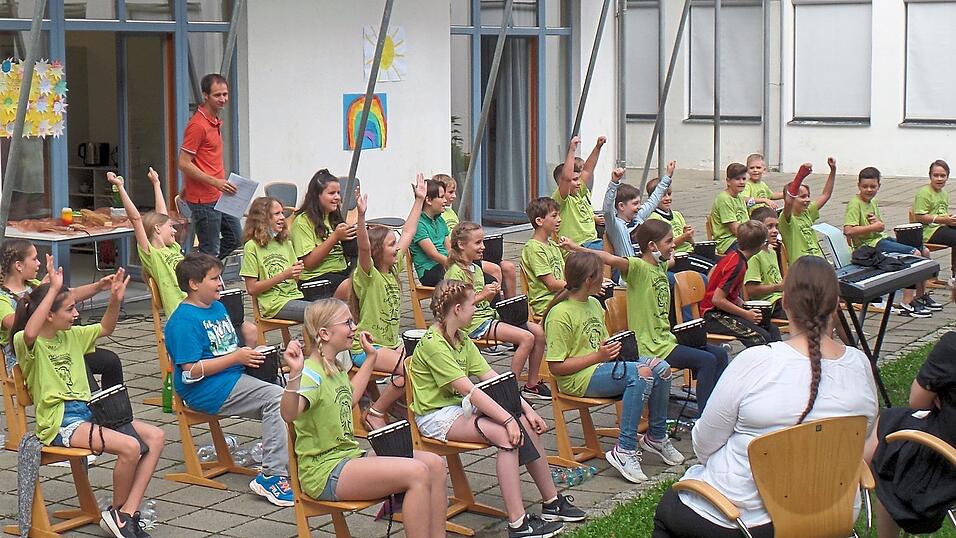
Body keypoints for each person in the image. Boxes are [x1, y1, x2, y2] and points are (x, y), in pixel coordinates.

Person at [652, 256, 879, 537]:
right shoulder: (859, 365)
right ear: (835, 306)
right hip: (830, 515)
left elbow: (704, 444)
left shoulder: (757, 362)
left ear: (784, 303)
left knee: (668, 512)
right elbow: (865, 440)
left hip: (747, 521)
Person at [408, 279, 585, 538]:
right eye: (472, 305)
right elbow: (470, 391)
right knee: (506, 435)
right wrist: (507, 419)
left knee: (524, 423)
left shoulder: (461, 338)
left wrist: (526, 410)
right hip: (436, 416)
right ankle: (518, 524)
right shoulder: (434, 343)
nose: (476, 310)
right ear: (457, 309)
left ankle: (551, 501)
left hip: (460, 408)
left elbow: (495, 380)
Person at [12, 266, 165, 538]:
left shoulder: (72, 336)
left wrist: (116, 298)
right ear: (48, 314)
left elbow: (107, 327)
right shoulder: (27, 343)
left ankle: (126, 513)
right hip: (59, 422)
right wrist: (54, 290)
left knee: (156, 437)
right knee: (130, 448)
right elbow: (32, 331)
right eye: (69, 310)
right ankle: (118, 514)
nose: (76, 314)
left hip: (88, 414)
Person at [279, 300, 448, 538]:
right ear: (325, 333)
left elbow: (349, 397)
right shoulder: (310, 375)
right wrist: (294, 376)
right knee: (417, 472)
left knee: (435, 464)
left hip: (348, 457)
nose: (354, 327)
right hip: (324, 472)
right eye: (347, 322)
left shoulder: (333, 366)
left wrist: (370, 357)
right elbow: (288, 414)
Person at [165, 253, 293, 507]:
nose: (221, 283)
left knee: (296, 392)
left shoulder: (217, 307)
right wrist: (237, 358)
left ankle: (300, 461)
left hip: (231, 378)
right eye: (214, 279)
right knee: (276, 398)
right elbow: (190, 372)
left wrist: (253, 351)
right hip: (205, 390)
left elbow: (225, 350)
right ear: (193, 284)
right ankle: (272, 475)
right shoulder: (182, 321)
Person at [543, 251, 681, 483]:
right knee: (642, 374)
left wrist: (614, 347)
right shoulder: (559, 314)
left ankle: (656, 436)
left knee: (661, 367)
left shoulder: (595, 304)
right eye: (602, 275)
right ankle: (624, 450)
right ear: (589, 279)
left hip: (602, 366)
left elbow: (599, 345)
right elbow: (557, 367)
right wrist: (599, 355)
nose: (606, 279)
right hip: (578, 379)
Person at [568, 220, 729, 414]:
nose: (673, 245)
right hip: (651, 346)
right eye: (669, 241)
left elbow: (672, 260)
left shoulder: (660, 266)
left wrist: (681, 242)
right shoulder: (638, 268)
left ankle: (719, 409)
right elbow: (609, 258)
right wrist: (576, 248)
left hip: (666, 339)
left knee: (720, 354)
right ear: (652, 246)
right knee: (706, 361)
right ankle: (706, 418)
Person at [108, 170, 257, 344]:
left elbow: (162, 215)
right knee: (237, 333)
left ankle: (244, 364)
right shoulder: (152, 255)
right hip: (184, 311)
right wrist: (120, 187)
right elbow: (136, 219)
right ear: (157, 229)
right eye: (170, 227)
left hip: (202, 302)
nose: (173, 230)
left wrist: (157, 184)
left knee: (250, 330)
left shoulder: (173, 248)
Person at [865, 314, 956, 537]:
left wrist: (940, 396)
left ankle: (844, 488)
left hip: (947, 457)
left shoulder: (952, 347)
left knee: (889, 429)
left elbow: (917, 401)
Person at [350, 175, 427, 430]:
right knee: (409, 369)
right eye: (391, 245)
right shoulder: (368, 275)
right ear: (378, 251)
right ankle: (376, 411)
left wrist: (419, 200)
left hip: (391, 344)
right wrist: (361, 217)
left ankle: (392, 406)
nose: (397, 248)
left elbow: (409, 231)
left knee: (426, 363)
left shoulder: (392, 270)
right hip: (366, 348)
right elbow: (362, 247)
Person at [445, 222, 550, 400]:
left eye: (482, 242)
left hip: (489, 317)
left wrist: (494, 295)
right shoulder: (455, 272)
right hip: (474, 324)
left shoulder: (476, 268)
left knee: (538, 332)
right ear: (462, 245)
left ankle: (531, 385)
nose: (483, 247)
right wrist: (482, 295)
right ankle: (509, 392)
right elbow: (456, 308)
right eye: (477, 243)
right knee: (526, 337)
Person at [0, 242, 124, 391]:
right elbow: (17, 323)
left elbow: (68, 296)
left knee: (110, 361)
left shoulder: (33, 285)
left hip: (57, 346)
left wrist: (99, 286)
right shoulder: (3, 298)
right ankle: (92, 406)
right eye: (34, 259)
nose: (39, 263)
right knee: (77, 362)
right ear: (19, 265)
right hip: (28, 359)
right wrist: (46, 292)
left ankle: (114, 409)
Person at [844, 166, 938, 317]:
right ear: (858, 186)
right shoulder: (855, 204)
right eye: (865, 186)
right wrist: (875, 226)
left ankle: (920, 295)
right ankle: (907, 302)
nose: (869, 190)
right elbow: (848, 230)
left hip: (880, 239)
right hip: (869, 247)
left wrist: (877, 224)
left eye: (873, 186)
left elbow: (878, 226)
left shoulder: (872, 201)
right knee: (914, 253)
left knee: (924, 250)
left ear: (879, 186)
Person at [411, 179, 515, 295]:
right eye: (441, 197)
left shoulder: (439, 219)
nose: (445, 200)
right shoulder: (419, 224)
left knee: (491, 278)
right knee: (476, 279)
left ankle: (497, 308)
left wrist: (462, 262)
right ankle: (474, 308)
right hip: (431, 270)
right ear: (429, 200)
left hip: (449, 263)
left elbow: (449, 248)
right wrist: (459, 264)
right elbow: (433, 254)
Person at [177, 73, 241, 259]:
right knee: (209, 249)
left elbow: (202, 159)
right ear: (205, 95)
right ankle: (202, 280)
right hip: (204, 199)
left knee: (236, 238)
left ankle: (207, 274)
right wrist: (215, 182)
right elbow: (183, 162)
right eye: (217, 95)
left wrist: (187, 185)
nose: (223, 99)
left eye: (225, 94)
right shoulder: (198, 125)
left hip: (219, 195)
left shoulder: (214, 121)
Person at [701, 220, 782, 347]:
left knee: (772, 329)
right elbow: (717, 299)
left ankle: (779, 362)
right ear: (761, 245)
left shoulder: (737, 257)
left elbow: (727, 291)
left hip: (723, 310)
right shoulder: (737, 265)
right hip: (713, 315)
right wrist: (746, 314)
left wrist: (742, 304)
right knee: (759, 337)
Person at [241, 197, 311, 322]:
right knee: (319, 313)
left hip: (296, 295)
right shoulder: (251, 247)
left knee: (334, 307)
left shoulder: (285, 242)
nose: (283, 217)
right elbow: (251, 289)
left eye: (282, 213)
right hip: (275, 304)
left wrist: (297, 270)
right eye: (277, 214)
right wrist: (284, 275)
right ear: (263, 218)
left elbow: (295, 278)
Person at [291, 169, 354, 301]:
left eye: (338, 193)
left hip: (340, 273)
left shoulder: (333, 217)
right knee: (356, 286)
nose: (337, 197)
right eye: (331, 193)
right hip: (316, 281)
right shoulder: (302, 222)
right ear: (317, 196)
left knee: (372, 279)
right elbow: (309, 263)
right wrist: (335, 237)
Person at [602, 161, 673, 258]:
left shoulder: (638, 217)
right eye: (635, 204)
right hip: (631, 269)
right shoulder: (615, 225)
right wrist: (614, 182)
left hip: (647, 264)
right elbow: (607, 210)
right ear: (621, 206)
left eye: (639, 203)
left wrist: (668, 176)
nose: (639, 207)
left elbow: (653, 200)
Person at [779, 158, 836, 265]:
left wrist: (833, 170)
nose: (808, 200)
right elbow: (789, 201)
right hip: (802, 267)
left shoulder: (807, 213)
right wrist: (800, 176)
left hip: (818, 262)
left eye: (808, 196)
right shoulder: (786, 220)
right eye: (803, 197)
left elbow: (826, 194)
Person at [553, 135, 606, 250]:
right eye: (575, 180)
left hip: (594, 242)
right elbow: (566, 179)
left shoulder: (581, 192)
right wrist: (572, 149)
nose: (578, 183)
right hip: (576, 248)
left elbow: (587, 170)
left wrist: (598, 147)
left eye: (578, 179)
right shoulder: (562, 199)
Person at [520, 197, 567, 318]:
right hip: (547, 304)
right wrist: (580, 285)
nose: (559, 219)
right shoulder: (534, 248)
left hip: (562, 298)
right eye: (554, 216)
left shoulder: (552, 245)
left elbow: (565, 273)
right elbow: (551, 284)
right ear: (539, 221)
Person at [912, 159, 956, 282]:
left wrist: (950, 219)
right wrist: (943, 220)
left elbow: (942, 213)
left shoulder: (944, 193)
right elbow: (919, 217)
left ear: (947, 177)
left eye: (943, 176)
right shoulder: (924, 193)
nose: (939, 179)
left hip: (939, 226)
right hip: (927, 231)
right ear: (930, 176)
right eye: (935, 175)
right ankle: (954, 275)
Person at [744, 207, 787, 320]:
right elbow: (751, 289)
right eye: (769, 226)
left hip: (780, 298)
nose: (775, 230)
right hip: (768, 305)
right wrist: (778, 287)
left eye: (776, 226)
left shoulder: (772, 251)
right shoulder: (754, 256)